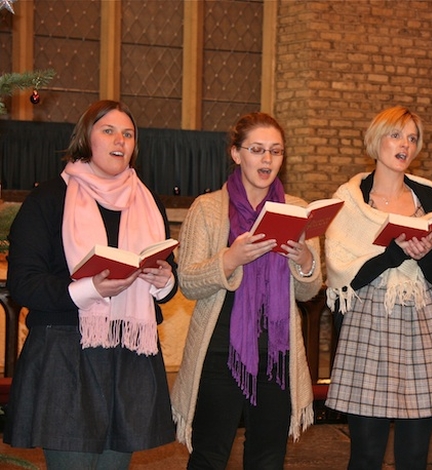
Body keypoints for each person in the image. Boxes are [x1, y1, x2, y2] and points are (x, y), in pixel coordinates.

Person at [3, 100, 178, 469]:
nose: (120, 140)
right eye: (109, 130)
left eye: (128, 134)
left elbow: (166, 276)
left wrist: (164, 281)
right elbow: (23, 283)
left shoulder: (147, 202)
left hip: (129, 353)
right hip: (66, 353)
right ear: (87, 138)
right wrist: (89, 290)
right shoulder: (50, 198)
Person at [171, 112, 321, 469]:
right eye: (257, 150)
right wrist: (229, 258)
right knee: (209, 455)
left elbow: (309, 291)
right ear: (236, 154)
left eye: (276, 151)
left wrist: (305, 261)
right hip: (220, 350)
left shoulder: (298, 210)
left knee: (268, 459)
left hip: (276, 355)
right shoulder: (207, 209)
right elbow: (188, 282)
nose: (267, 159)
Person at [324, 105, 432, 470]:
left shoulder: (429, 196)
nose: (405, 144)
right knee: (367, 454)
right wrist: (393, 253)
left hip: (423, 324)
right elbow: (345, 277)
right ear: (376, 140)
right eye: (396, 135)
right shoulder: (350, 199)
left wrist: (422, 254)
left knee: (415, 455)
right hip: (369, 322)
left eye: (412, 138)